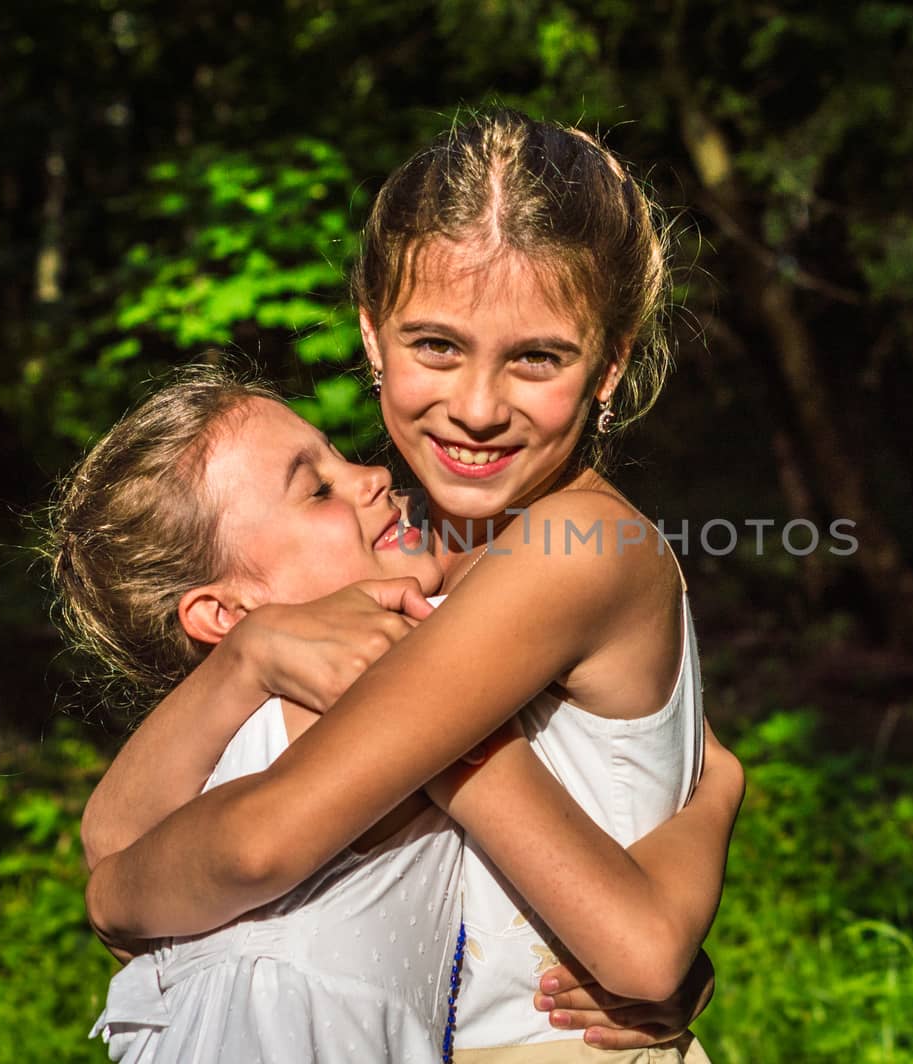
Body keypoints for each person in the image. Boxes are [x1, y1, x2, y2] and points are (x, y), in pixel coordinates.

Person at [82, 109, 735, 1060]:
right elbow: (116, 831)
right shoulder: (418, 549)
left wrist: (110, 903)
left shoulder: (573, 544)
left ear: (612, 363)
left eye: (538, 358)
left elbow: (636, 950)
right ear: (372, 335)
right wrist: (247, 661)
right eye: (437, 345)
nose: (476, 407)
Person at [51, 370, 743, 1062]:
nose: (373, 475)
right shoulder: (354, 677)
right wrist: (718, 788)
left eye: (337, 455)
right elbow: (644, 949)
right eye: (317, 489)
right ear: (224, 613)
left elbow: (111, 839)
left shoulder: (232, 733)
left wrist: (243, 659)